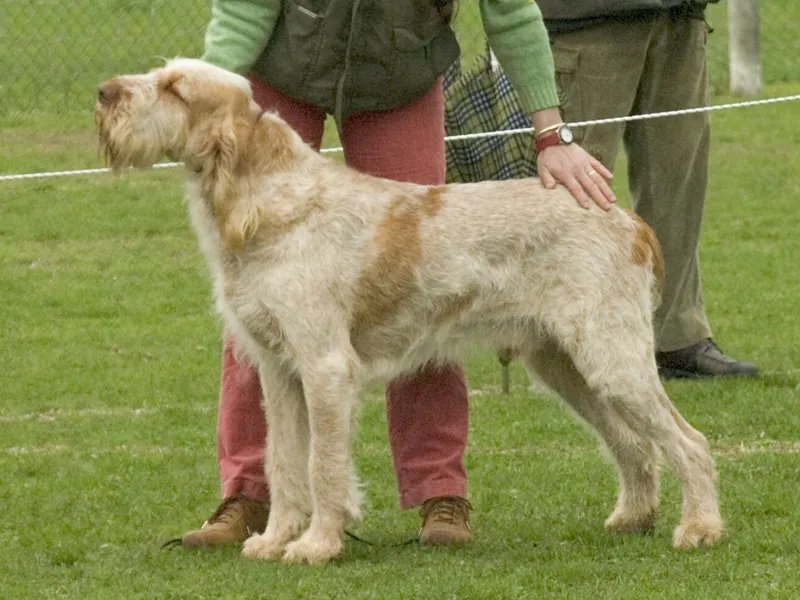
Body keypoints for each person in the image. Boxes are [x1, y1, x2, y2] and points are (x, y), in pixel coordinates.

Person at [179, 0, 616, 549]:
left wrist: (550, 135)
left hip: (398, 76)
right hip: (282, 70)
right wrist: (213, 95)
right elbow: (246, 7)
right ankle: (250, 493)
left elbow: (510, 9)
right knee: (261, 296)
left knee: (429, 280)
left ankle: (439, 491)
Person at [536, 0, 759, 379]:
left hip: (678, 15)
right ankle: (557, 342)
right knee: (573, 195)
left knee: (679, 186)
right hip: (585, 20)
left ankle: (676, 337)